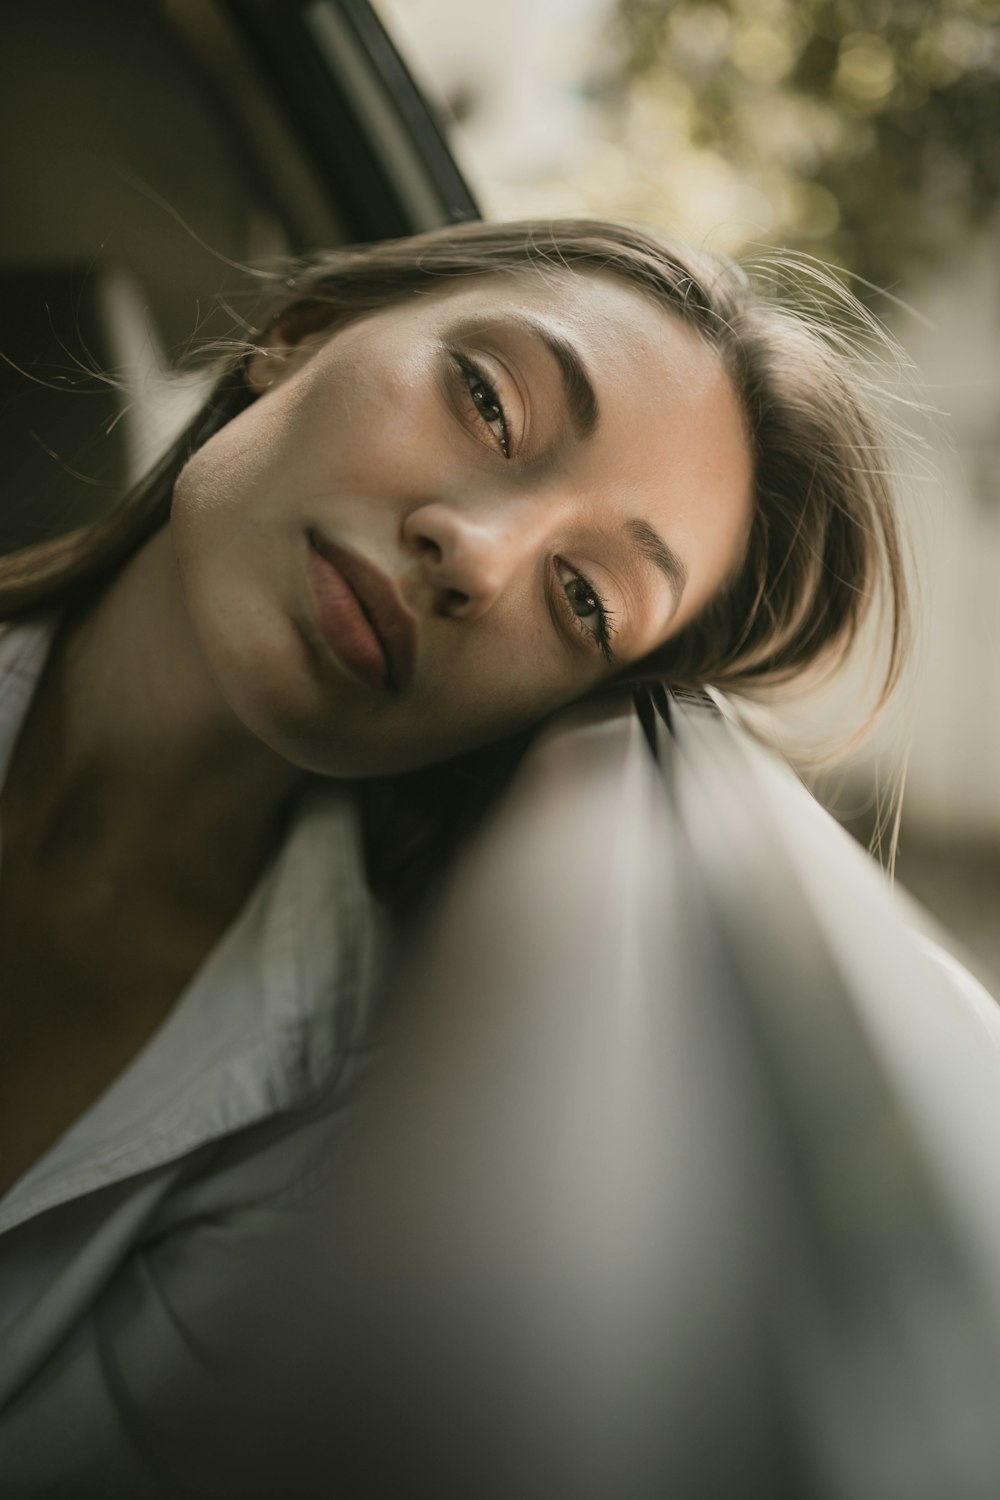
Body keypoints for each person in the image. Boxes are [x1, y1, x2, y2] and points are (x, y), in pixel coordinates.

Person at [0, 217, 908, 1492]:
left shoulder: (322, 1152)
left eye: (585, 599)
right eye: (486, 399)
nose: (477, 557)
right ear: (296, 336)